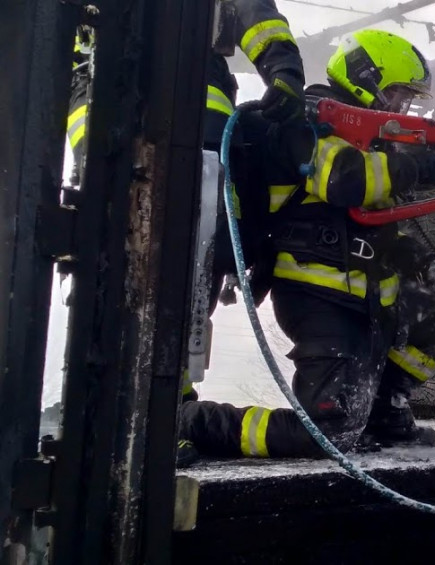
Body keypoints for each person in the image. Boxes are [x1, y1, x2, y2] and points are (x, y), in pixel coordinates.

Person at [175, 29, 435, 464]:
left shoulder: (369, 134)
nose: (401, 106)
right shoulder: (303, 120)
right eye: (396, 92)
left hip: (370, 288)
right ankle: (194, 421)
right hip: (319, 293)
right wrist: (420, 165)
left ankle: (384, 408)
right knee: (325, 435)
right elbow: (346, 179)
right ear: (365, 77)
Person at [65, 1, 305, 409]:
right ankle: (126, 399)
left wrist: (284, 70)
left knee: (184, 251)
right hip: (159, 101)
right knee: (151, 250)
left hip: (141, 103)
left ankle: (160, 402)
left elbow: (252, 12)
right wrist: (284, 71)